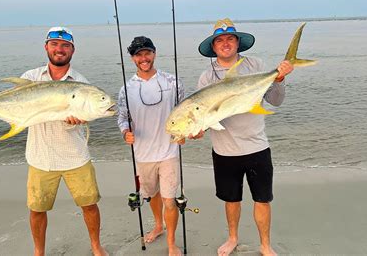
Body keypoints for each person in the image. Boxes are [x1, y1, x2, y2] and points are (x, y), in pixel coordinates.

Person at [0, 27, 108, 256]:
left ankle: (96, 246)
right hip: (40, 158)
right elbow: (13, 102)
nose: (59, 49)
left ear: (73, 50)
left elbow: (80, 114)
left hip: (75, 157)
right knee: (37, 210)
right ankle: (38, 252)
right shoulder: (31, 77)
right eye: (55, 44)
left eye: (65, 46)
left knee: (89, 205)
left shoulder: (81, 83)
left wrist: (75, 121)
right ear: (46, 47)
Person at [194, 18, 294, 256]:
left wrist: (280, 79)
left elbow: (276, 100)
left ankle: (265, 245)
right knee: (231, 200)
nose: (225, 43)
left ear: (238, 42)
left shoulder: (256, 65)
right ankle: (232, 238)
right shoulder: (206, 78)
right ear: (214, 46)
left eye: (230, 38)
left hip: (257, 146)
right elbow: (205, 115)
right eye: (220, 40)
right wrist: (197, 129)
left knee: (262, 199)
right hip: (224, 151)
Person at [117, 36, 185, 256]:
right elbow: (122, 117)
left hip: (169, 152)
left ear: (154, 53)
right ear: (132, 58)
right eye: (138, 55)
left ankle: (172, 243)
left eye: (147, 53)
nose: (143, 58)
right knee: (152, 194)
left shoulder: (172, 82)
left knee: (169, 199)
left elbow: (184, 111)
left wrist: (183, 132)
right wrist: (125, 131)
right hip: (143, 155)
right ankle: (158, 225)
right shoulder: (126, 89)